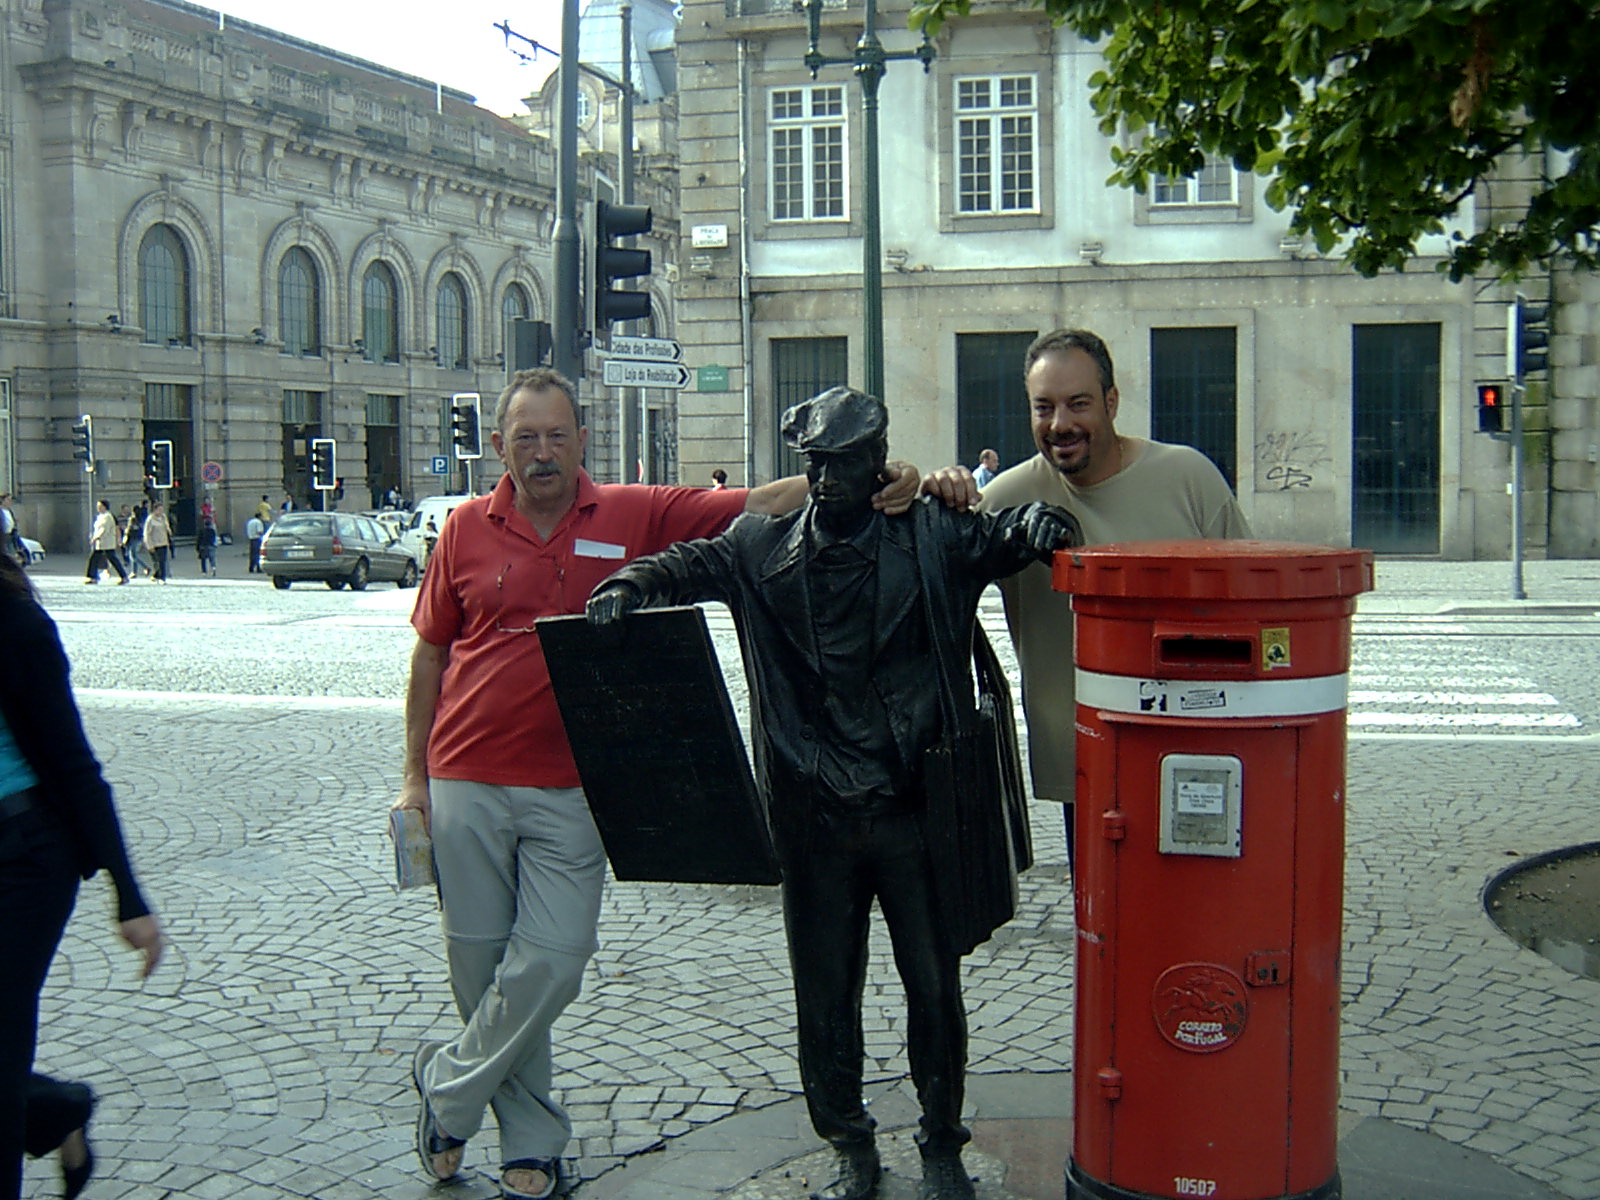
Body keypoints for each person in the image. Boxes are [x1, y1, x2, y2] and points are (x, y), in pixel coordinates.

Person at [393, 367, 919, 1200]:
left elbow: (761, 501)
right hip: (465, 778)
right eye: (524, 437)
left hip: (577, 785)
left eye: (556, 434)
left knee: (554, 961)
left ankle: (448, 1087)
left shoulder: (632, 513)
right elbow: (430, 653)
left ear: (581, 441)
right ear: (498, 447)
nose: (541, 452)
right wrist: (412, 780)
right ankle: (532, 1141)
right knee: (481, 968)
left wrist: (882, 478)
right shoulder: (464, 528)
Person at [588, 388, 1077, 1200]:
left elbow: (1008, 537)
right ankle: (847, 1138)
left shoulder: (934, 533)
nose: (822, 479)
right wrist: (628, 587)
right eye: (812, 463)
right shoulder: (760, 547)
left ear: (874, 460)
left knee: (932, 985)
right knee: (823, 994)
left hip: (913, 806)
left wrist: (1040, 526)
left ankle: (942, 1138)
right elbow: (687, 560)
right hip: (813, 812)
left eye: (839, 464)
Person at [923, 328, 1252, 863]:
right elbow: (912, 551)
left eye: (1078, 404)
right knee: (1104, 930)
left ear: (1112, 401)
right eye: (1043, 407)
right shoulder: (1007, 499)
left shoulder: (1187, 478)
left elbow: (1251, 603)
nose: (1060, 424)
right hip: (1086, 764)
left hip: (1197, 748)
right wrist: (928, 488)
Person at [0, 552, 164, 1200]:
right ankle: (54, 1111)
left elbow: (73, 762)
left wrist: (129, 893)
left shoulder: (15, 625)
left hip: (22, 858)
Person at [83, 501, 128, 585]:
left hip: (106, 542)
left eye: (100, 506)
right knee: (95, 558)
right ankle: (93, 577)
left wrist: (96, 537)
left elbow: (104, 529)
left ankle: (124, 576)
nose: (98, 508)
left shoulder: (107, 516)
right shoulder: (101, 516)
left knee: (111, 559)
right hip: (101, 543)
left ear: (105, 507)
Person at [142, 503, 172, 584]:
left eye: (162, 510)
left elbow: (167, 529)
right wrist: (149, 545)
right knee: (157, 561)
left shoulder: (164, 518)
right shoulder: (150, 519)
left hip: (163, 542)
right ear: (154, 510)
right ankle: (159, 576)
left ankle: (160, 577)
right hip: (154, 543)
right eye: (159, 510)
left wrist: (169, 539)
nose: (161, 511)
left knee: (162, 561)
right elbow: (146, 533)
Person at [123, 502, 149, 578]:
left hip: (132, 538)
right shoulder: (141, 519)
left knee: (133, 555)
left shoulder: (132, 519)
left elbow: (129, 529)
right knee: (133, 555)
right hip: (138, 538)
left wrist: (126, 532)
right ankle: (134, 572)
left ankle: (144, 567)